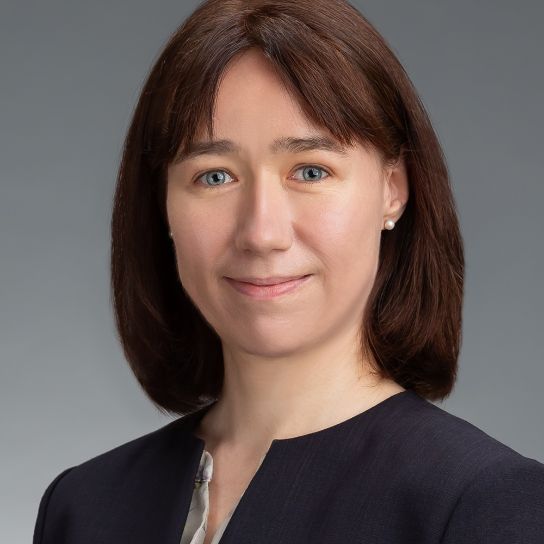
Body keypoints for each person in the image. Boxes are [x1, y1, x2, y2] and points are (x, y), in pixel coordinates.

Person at [33, 0, 544, 543]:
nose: (261, 233)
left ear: (393, 190)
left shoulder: (484, 502)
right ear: (162, 206)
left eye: (310, 171)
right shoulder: (82, 506)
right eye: (214, 176)